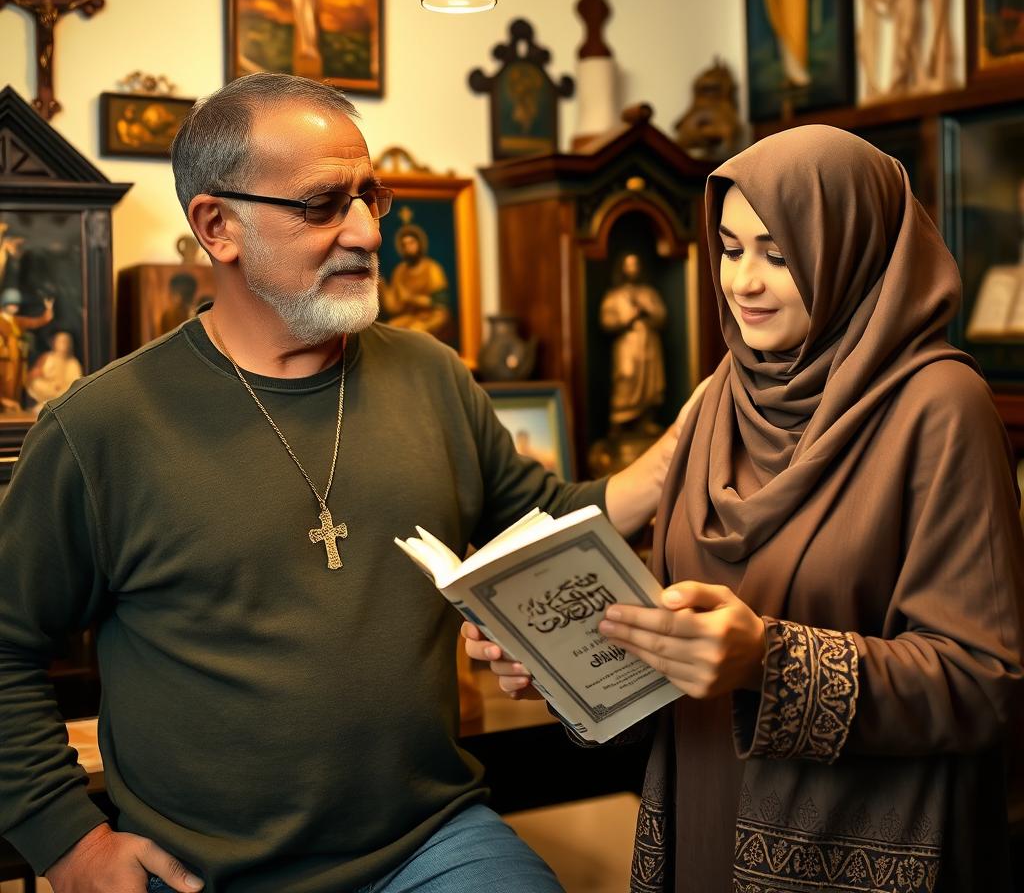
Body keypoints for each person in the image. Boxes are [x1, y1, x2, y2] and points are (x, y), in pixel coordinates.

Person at [0, 72, 697, 893]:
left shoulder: (433, 377)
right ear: (217, 226)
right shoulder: (98, 429)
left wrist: (671, 460)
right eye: (324, 204)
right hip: (204, 872)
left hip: (430, 843)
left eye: (372, 197)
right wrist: (72, 846)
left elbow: (541, 526)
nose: (366, 232)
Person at [467, 125, 1024, 890]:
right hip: (701, 818)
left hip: (854, 850)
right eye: (730, 249)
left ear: (852, 252)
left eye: (780, 254)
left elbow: (984, 684)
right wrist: (569, 661)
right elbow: (673, 654)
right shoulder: (719, 400)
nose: (743, 282)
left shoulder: (941, 407)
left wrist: (769, 660)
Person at [599, 252, 667, 436]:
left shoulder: (648, 293)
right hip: (627, 345)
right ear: (622, 268)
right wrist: (629, 317)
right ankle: (620, 425)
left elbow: (661, 316)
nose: (632, 268)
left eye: (635, 264)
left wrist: (648, 310)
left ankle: (646, 421)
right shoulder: (614, 295)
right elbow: (607, 321)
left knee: (650, 383)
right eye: (628, 264)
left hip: (648, 343)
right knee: (626, 378)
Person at [378, 224, 452, 338]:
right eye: (404, 245)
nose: (408, 248)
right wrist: (382, 286)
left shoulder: (432, 269)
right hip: (410, 316)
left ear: (419, 244)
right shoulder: (400, 271)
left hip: (433, 316)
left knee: (416, 330)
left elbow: (440, 303)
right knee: (390, 328)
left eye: (411, 243)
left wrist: (411, 298)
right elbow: (393, 307)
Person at [0, 288, 55, 411]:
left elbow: (36, 322)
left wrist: (48, 310)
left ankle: (13, 404)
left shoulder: (17, 321)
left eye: (16, 304)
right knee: (5, 382)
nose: (14, 307)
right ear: (4, 304)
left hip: (17, 359)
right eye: (11, 304)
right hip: (4, 360)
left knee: (16, 383)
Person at [24, 329, 83, 417]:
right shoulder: (48, 357)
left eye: (66, 342)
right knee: (36, 384)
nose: (63, 345)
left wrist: (62, 387)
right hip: (50, 389)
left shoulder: (73, 363)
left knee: (68, 393)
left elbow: (77, 381)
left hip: (64, 391)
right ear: (54, 343)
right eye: (60, 341)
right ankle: (46, 404)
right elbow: (36, 375)